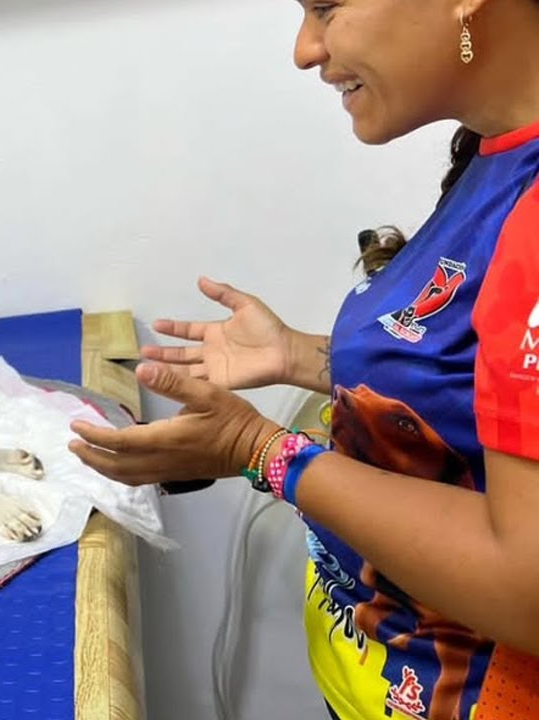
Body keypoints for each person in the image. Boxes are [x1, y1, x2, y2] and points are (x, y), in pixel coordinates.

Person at [67, 1, 539, 719]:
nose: (305, 49)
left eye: (326, 7)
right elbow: (480, 392)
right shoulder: (495, 151)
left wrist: (262, 450)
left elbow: (525, 588)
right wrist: (303, 356)